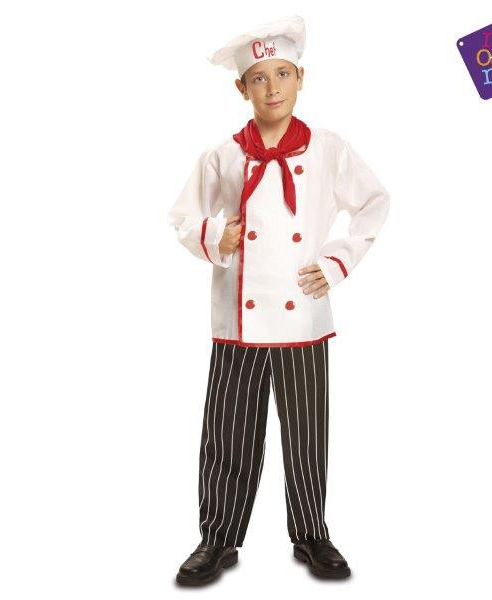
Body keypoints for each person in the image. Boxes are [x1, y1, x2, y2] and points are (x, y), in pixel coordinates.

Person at [167, 14, 390, 585]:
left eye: (283, 74)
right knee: (228, 433)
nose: (273, 88)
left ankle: (312, 533)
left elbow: (373, 202)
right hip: (236, 321)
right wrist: (216, 237)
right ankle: (218, 539)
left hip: (302, 315)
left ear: (301, 78)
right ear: (241, 88)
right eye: (259, 78)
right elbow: (184, 216)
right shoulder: (223, 155)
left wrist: (336, 262)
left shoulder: (329, 149)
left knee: (307, 433)